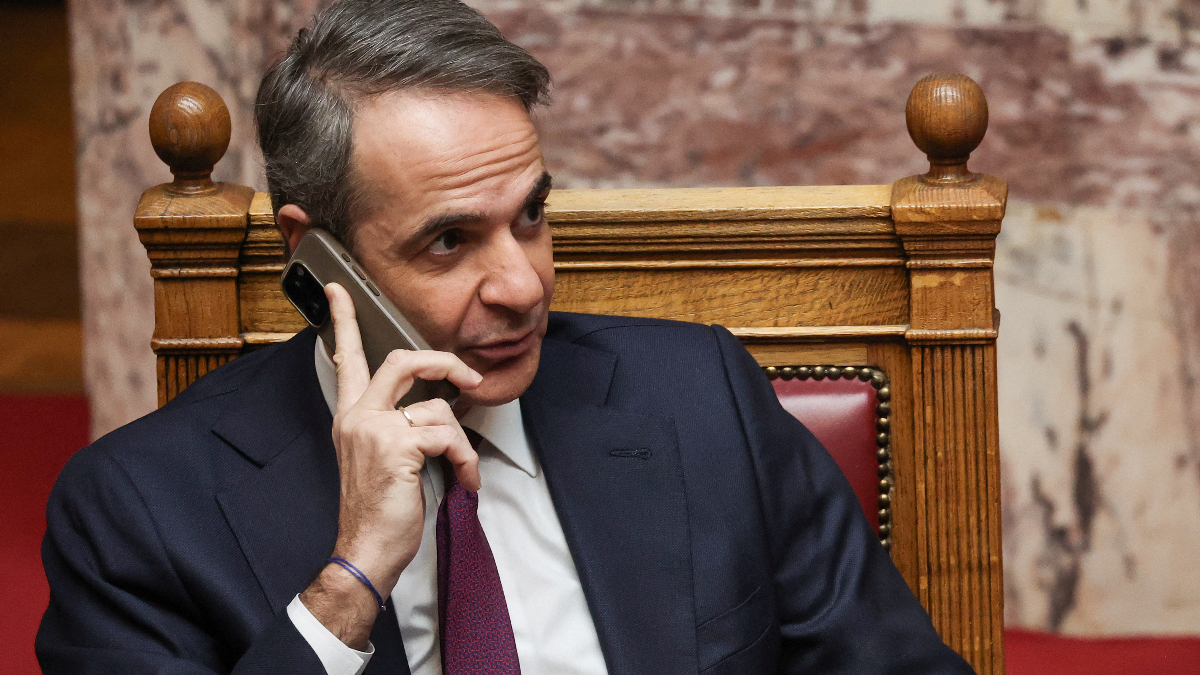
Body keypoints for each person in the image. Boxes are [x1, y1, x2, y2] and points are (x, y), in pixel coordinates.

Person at [37, 1, 975, 674]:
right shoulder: (140, 508)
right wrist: (351, 581)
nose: (524, 285)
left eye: (530, 215)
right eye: (449, 240)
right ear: (317, 257)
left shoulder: (701, 397)